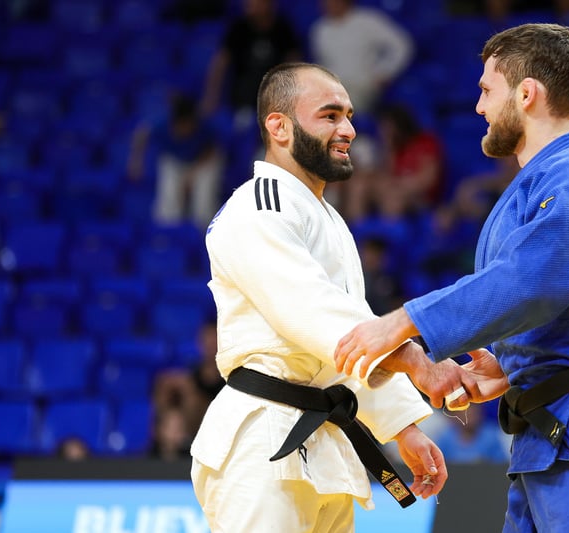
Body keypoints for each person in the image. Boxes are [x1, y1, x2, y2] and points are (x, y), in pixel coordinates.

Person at [334, 23, 569, 532]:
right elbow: (554, 301)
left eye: (487, 90)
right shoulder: (535, 185)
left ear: (527, 93)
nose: (479, 107)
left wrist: (406, 322)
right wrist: (512, 364)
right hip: (547, 427)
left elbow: (532, 282)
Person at [190, 62, 453, 533]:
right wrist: (413, 359)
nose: (348, 129)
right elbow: (314, 313)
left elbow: (350, 335)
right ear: (279, 126)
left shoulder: (326, 219)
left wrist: (402, 427)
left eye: (349, 116)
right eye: (330, 115)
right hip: (263, 440)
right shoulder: (258, 205)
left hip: (324, 440)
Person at [200, 0, 302, 129]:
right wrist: (211, 96)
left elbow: (294, 65)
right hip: (243, 100)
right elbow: (220, 64)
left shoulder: (283, 28)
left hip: (273, 101)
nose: (250, 6)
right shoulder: (239, 28)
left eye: (256, 3)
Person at [127, 93, 224, 228]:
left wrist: (191, 175)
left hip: (203, 162)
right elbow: (141, 134)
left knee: (203, 204)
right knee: (168, 202)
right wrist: (136, 161)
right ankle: (168, 236)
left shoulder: (204, 126)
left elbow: (211, 152)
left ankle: (204, 236)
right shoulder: (163, 125)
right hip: (175, 160)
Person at [309, 0, 413, 115]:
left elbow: (401, 45)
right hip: (332, 88)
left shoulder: (368, 20)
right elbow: (322, 63)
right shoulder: (320, 29)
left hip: (362, 87)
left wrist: (386, 72)